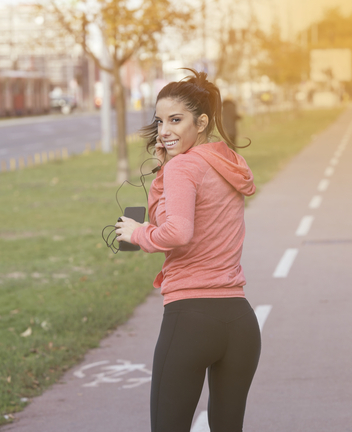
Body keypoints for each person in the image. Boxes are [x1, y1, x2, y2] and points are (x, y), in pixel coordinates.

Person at [115, 69, 262, 432]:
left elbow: (179, 231)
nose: (164, 130)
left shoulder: (184, 167)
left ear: (202, 121)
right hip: (239, 322)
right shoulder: (227, 163)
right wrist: (168, 167)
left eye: (176, 120)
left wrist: (138, 233)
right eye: (160, 120)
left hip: (191, 319)